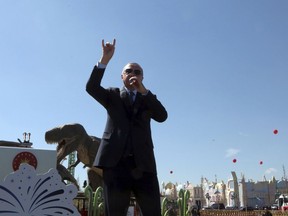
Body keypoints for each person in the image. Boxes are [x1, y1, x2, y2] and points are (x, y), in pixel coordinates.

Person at [86, 39, 168, 216]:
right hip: (116, 166)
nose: (133, 74)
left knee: (153, 212)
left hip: (144, 165)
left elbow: (162, 116)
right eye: (128, 71)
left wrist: (143, 91)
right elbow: (91, 87)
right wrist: (104, 60)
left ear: (142, 77)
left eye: (137, 72)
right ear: (122, 76)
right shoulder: (112, 95)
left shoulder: (147, 98)